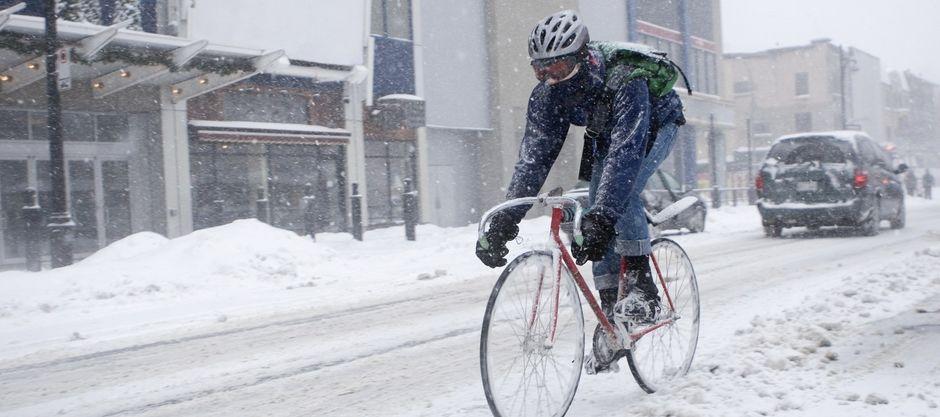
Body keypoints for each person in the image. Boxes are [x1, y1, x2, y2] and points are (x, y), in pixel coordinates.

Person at [474, 10, 686, 371]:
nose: (551, 79)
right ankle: (611, 317)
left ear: (583, 58)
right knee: (594, 204)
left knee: (621, 191)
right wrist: (504, 222)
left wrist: (603, 218)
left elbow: (625, 156)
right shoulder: (546, 97)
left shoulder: (625, 80)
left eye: (558, 69)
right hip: (608, 128)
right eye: (541, 71)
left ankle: (642, 288)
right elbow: (532, 161)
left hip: (654, 122)